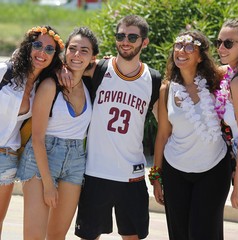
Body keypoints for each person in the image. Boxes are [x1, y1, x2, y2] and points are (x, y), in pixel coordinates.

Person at [70, 15, 161, 240]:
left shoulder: (154, 80)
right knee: (88, 236)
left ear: (145, 42)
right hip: (96, 173)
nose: (125, 41)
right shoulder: (98, 69)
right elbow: (70, 63)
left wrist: (158, 174)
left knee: (132, 237)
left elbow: (166, 130)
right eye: (121, 36)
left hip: (132, 176)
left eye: (132, 36)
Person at [16, 27, 98, 240]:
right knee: (34, 236)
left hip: (75, 162)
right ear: (65, 52)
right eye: (72, 49)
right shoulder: (51, 84)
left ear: (92, 58)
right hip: (41, 159)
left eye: (84, 51)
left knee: (57, 235)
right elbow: (37, 138)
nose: (77, 55)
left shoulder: (91, 84)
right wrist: (48, 185)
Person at [151, 30, 232, 240]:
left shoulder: (217, 80)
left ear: (200, 56)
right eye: (178, 46)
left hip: (214, 170)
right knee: (179, 234)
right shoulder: (167, 89)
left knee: (204, 233)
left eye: (189, 47)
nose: (181, 51)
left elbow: (235, 63)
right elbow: (162, 136)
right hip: (175, 171)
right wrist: (156, 177)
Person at [0, 25, 62, 238]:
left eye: (49, 49)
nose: (41, 52)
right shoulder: (4, 72)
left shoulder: (42, 87)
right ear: (28, 47)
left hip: (7, 158)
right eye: (37, 45)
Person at [214, 19, 238, 209]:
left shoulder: (237, 83)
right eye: (219, 42)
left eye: (228, 43)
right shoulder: (229, 74)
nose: (221, 48)